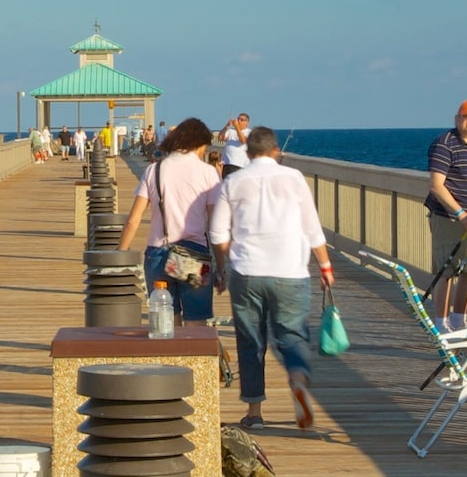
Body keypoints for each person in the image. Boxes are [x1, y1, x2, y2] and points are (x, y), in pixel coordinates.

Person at [208, 126, 333, 431]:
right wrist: (326, 266)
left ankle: (254, 412)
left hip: (247, 271)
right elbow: (312, 228)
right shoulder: (294, 178)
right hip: (291, 270)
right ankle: (298, 378)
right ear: (276, 152)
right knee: (292, 335)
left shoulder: (234, 181)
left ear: (247, 153)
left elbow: (217, 233)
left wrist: (222, 268)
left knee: (251, 341)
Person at [118, 118, 221, 325]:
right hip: (194, 255)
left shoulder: (154, 170)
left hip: (158, 253)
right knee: (196, 324)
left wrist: (119, 255)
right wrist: (221, 266)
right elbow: (215, 225)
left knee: (165, 323)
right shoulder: (208, 172)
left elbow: (133, 220)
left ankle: (169, 357)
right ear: (198, 143)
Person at [422, 99, 467, 332]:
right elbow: (437, 185)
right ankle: (441, 324)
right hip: (450, 218)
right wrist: (461, 213)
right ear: (456, 118)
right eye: (465, 116)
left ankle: (459, 319)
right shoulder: (445, 144)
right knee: (447, 269)